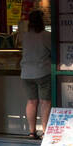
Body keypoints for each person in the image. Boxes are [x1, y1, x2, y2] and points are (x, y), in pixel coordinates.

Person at [18, 10, 53, 139]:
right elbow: (53, 51)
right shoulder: (46, 35)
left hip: (26, 73)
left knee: (31, 102)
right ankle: (45, 132)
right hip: (42, 72)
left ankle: (32, 132)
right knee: (45, 102)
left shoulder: (25, 36)